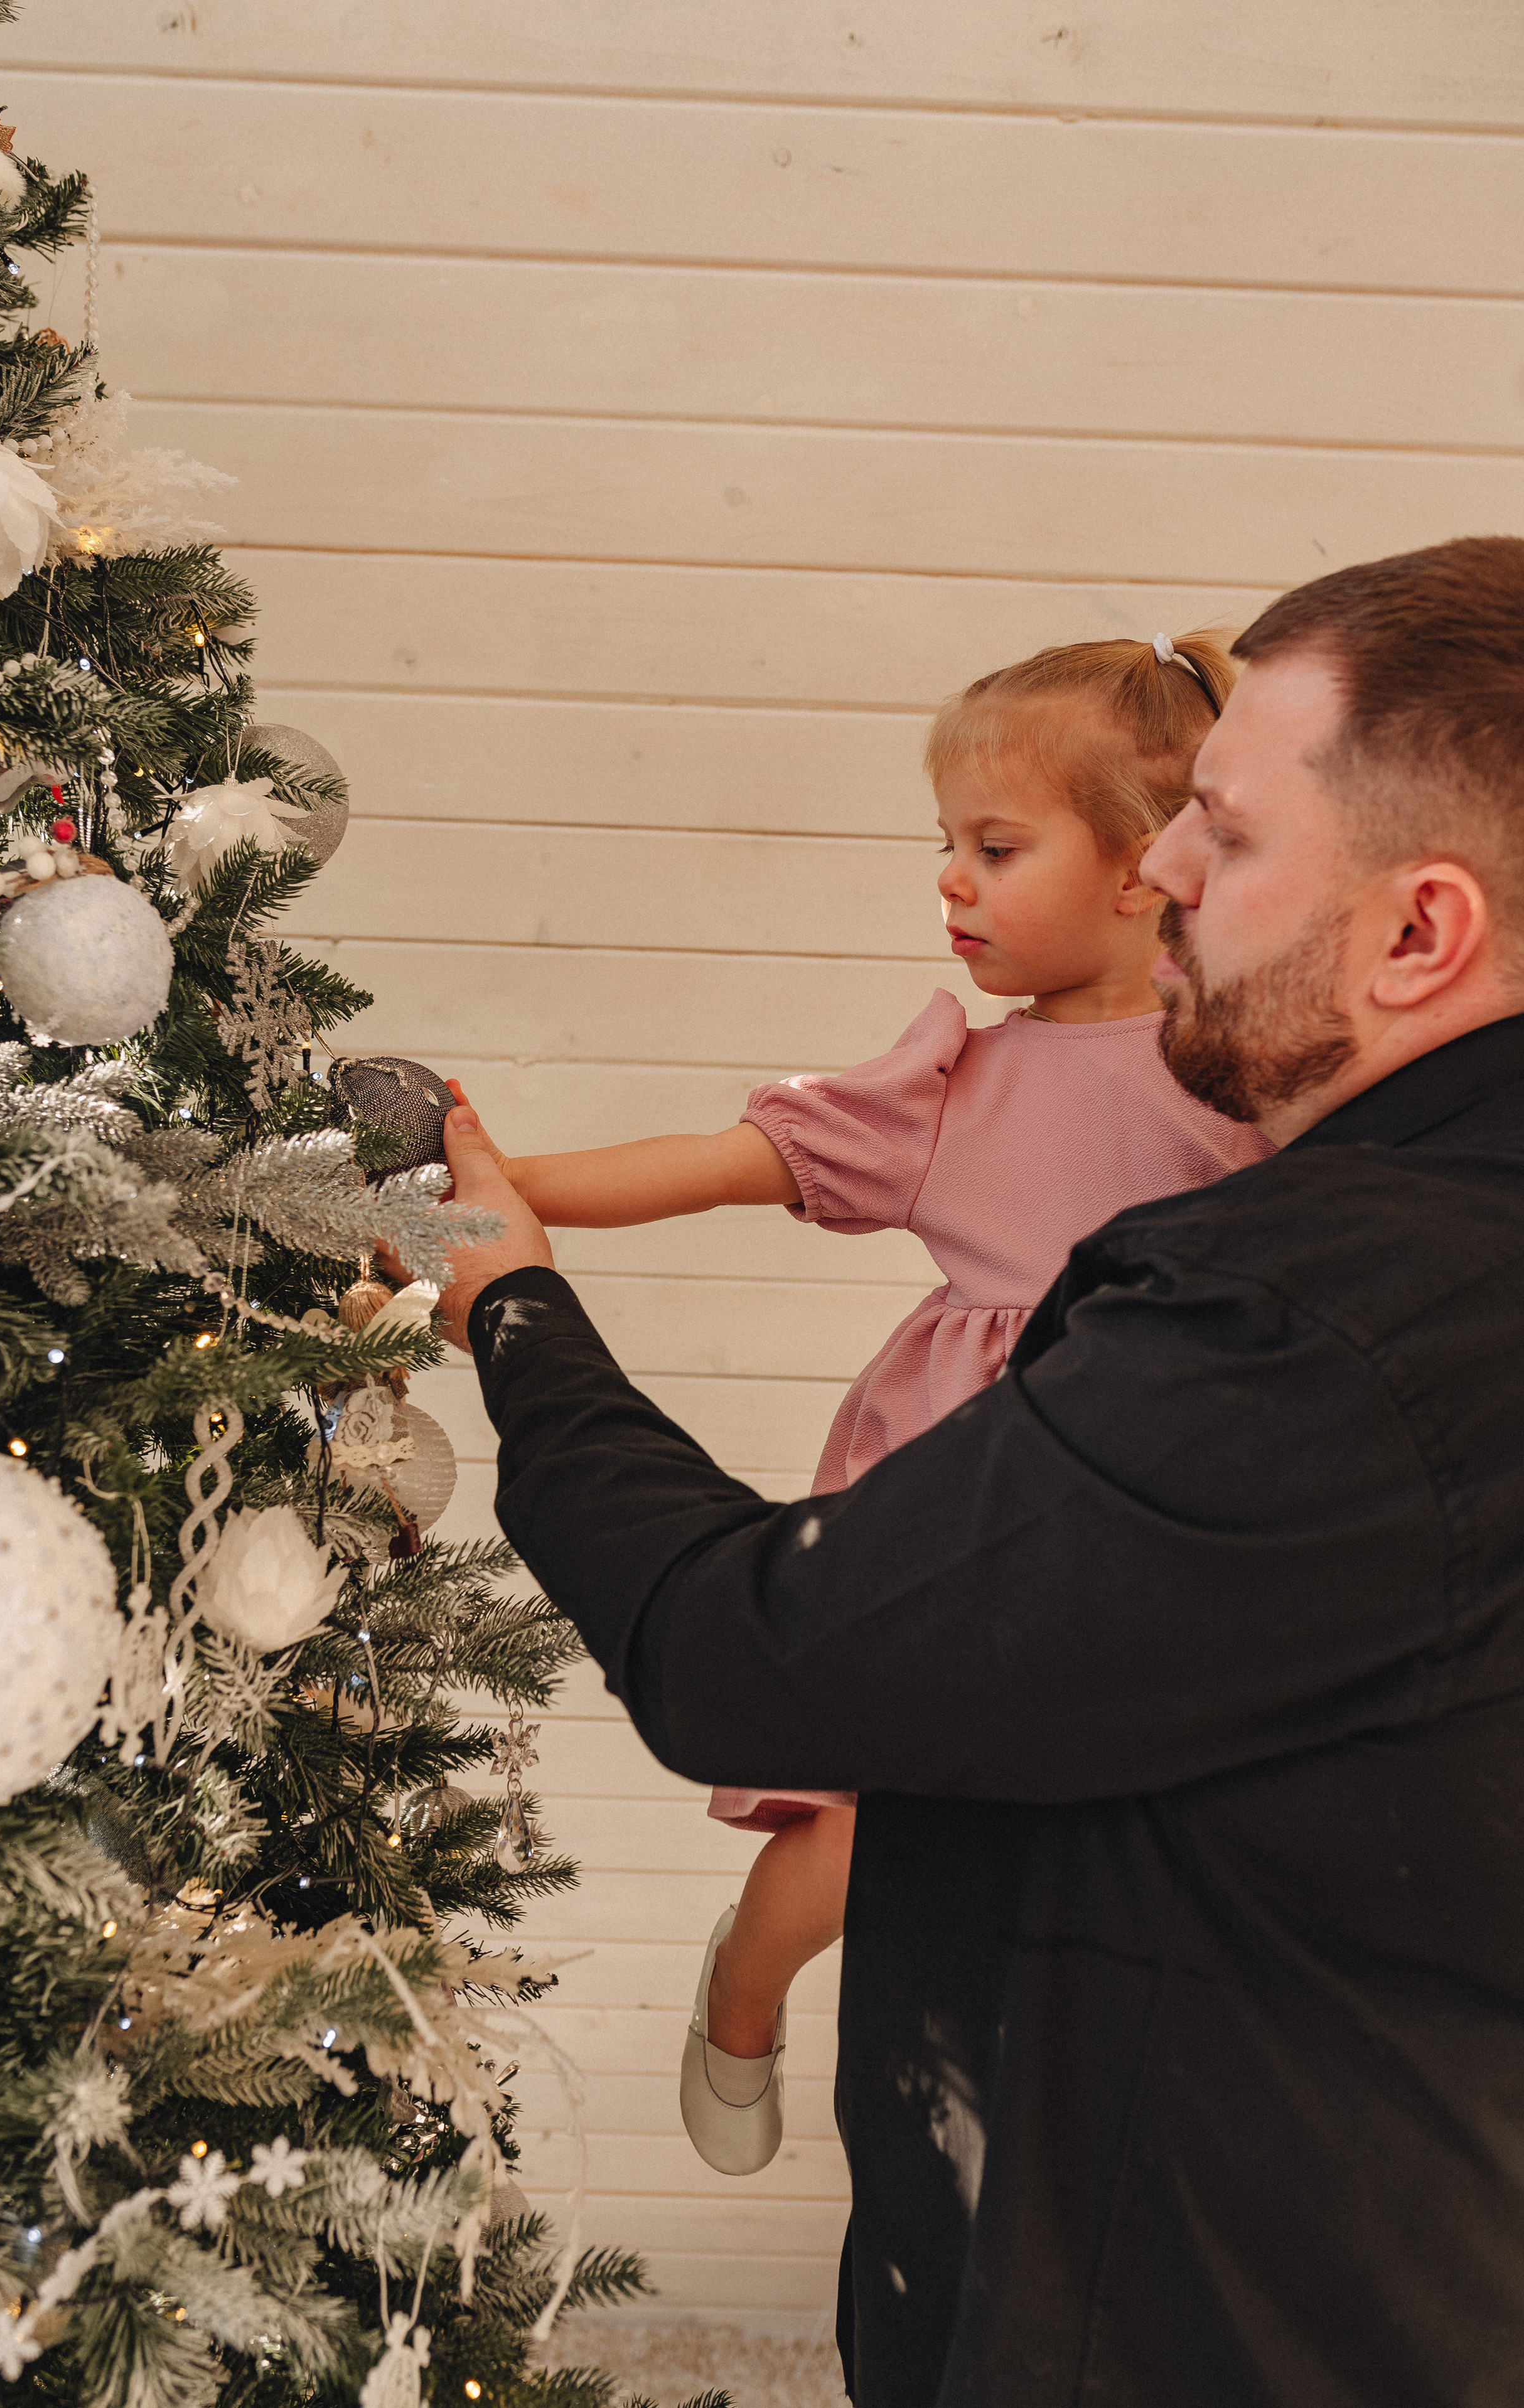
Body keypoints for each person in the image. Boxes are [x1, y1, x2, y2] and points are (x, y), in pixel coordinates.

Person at [426, 535, 1524, 2407]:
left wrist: (516, 1315)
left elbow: (747, 1649)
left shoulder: (1317, 1321)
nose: (1166, 871)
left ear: (1420, 932)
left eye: (1224, 832)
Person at [448, 633, 1268, 2176]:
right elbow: (713, 1164)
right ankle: (743, 1993)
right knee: (861, 1820)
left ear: (1141, 868)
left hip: (1139, 1495)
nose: (950, 881)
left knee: (1094, 1827)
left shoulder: (1247, 1070)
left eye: (995, 848)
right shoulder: (948, 1087)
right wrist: (498, 1191)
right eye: (946, 844)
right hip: (952, 1493)